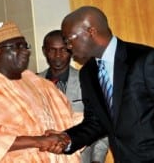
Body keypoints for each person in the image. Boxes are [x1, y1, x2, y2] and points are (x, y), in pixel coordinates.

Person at [46, 6, 154, 163]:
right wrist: (68, 138)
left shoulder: (146, 61)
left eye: (69, 40)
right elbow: (96, 122)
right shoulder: (87, 73)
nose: (68, 47)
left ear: (91, 32)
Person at [0, 22, 81, 163]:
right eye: (17, 46)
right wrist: (39, 141)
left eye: (25, 46)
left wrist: (69, 136)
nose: (25, 51)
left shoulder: (40, 85)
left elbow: (69, 118)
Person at [39, 30, 108, 163]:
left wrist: (97, 159)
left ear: (70, 50)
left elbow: (100, 123)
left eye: (63, 50)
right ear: (44, 51)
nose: (58, 55)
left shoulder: (87, 81)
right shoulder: (33, 83)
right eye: (52, 50)